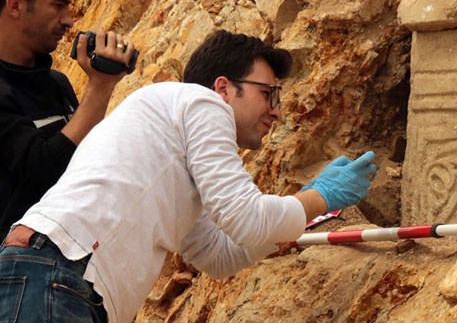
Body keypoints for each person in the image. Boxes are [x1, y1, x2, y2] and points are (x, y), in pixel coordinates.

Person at [0, 29, 377, 322]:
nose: (276, 112)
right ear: (224, 88)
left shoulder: (172, 143)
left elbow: (218, 256)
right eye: (269, 94)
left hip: (56, 273)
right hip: (57, 271)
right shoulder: (201, 103)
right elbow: (246, 220)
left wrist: (299, 211)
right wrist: (319, 196)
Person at [0, 0, 136, 239]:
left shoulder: (57, 84)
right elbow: (40, 170)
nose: (69, 21)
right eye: (58, 6)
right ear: (16, 6)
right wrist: (99, 88)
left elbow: (92, 166)